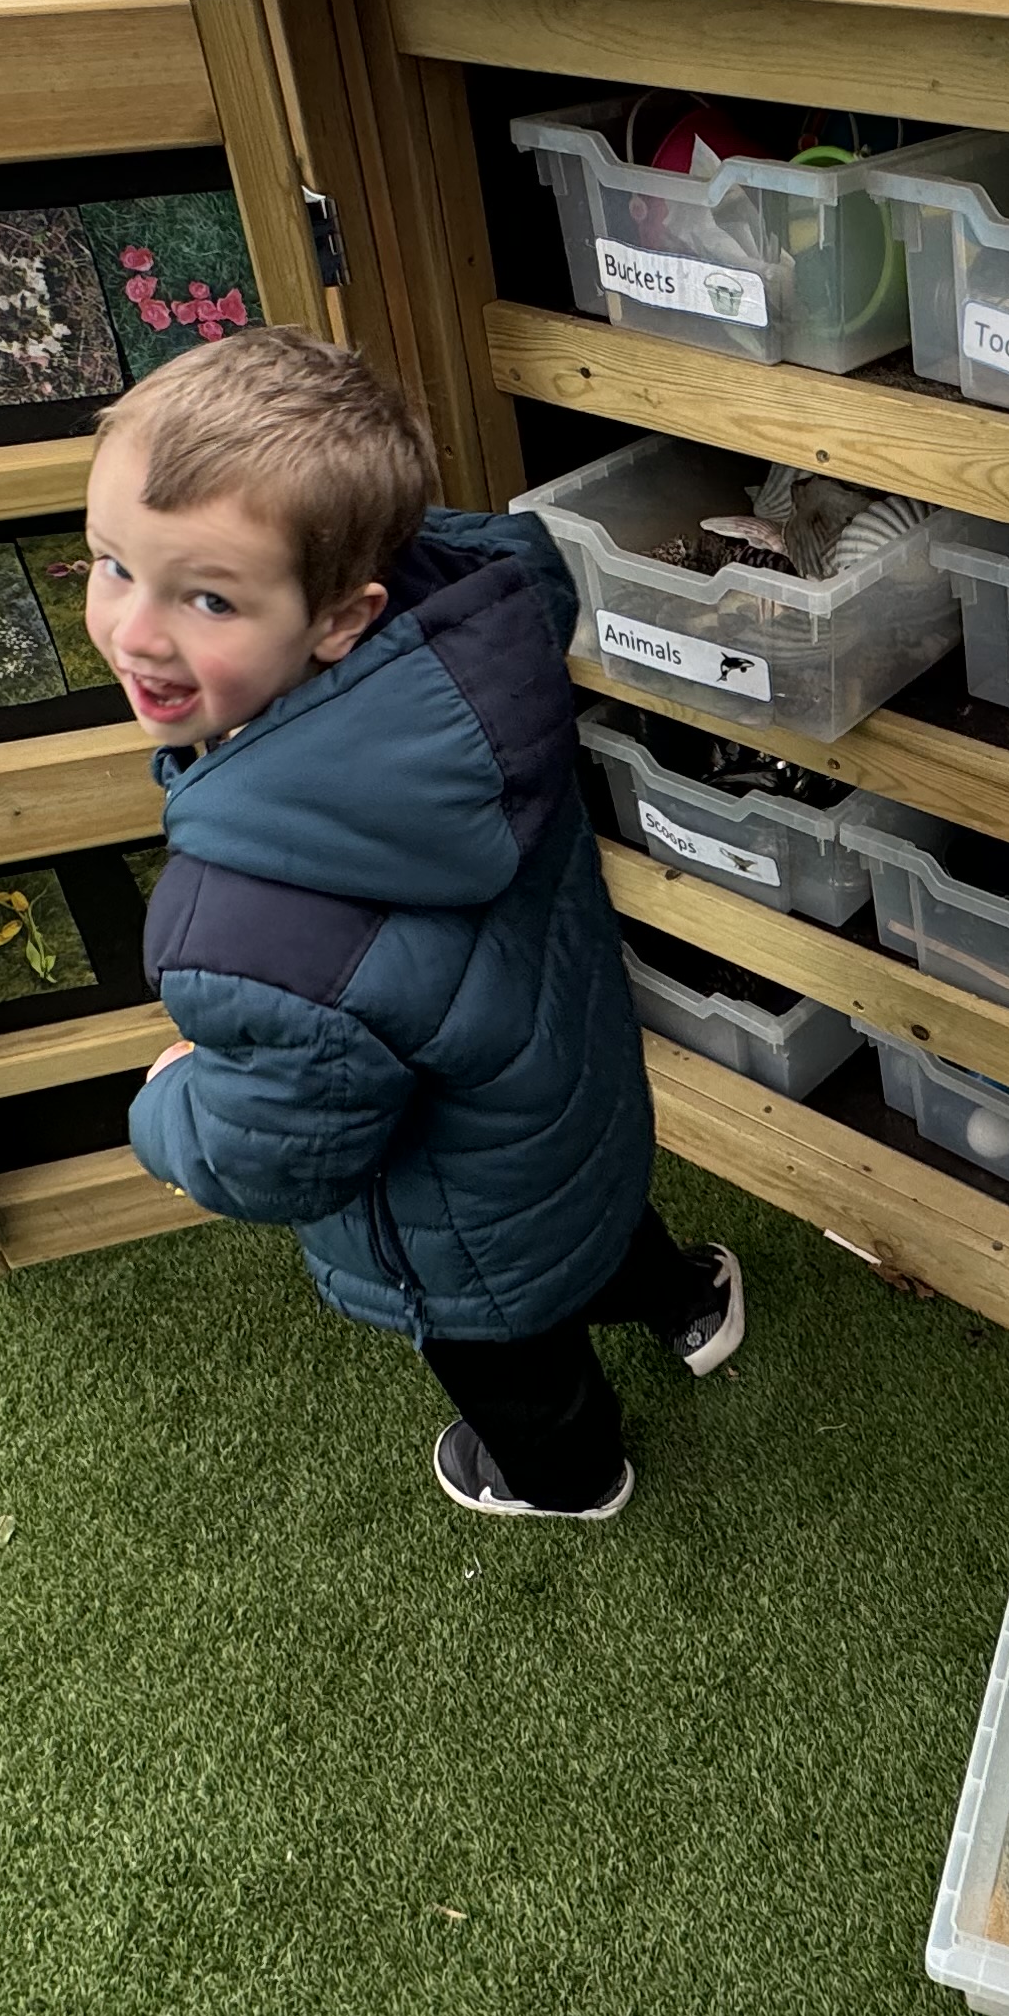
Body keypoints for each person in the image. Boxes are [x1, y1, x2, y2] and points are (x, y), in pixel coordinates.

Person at [93, 325, 738, 1520]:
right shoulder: (474, 654)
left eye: (208, 597)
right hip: (564, 1091)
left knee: (507, 1351)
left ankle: (569, 1476)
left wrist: (171, 1098)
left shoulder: (246, 918)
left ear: (343, 616)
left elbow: (276, 1153)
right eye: (113, 565)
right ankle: (688, 1295)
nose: (135, 629)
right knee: (587, 1217)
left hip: (457, 1216)